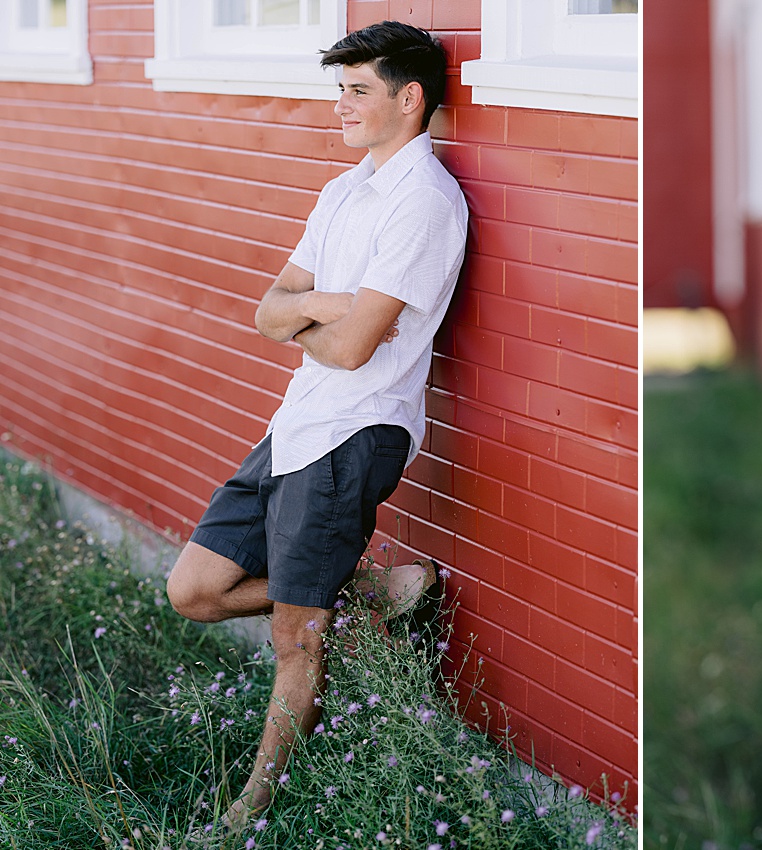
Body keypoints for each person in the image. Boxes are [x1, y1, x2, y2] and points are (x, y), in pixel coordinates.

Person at [165, 20, 467, 832]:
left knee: (298, 636)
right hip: (297, 420)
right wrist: (318, 309)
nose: (340, 107)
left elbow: (354, 347)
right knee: (193, 591)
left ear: (409, 99)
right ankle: (377, 587)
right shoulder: (341, 192)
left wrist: (312, 317)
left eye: (357, 90)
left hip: (356, 432)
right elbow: (266, 310)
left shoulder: (426, 204)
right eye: (339, 90)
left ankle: (252, 808)